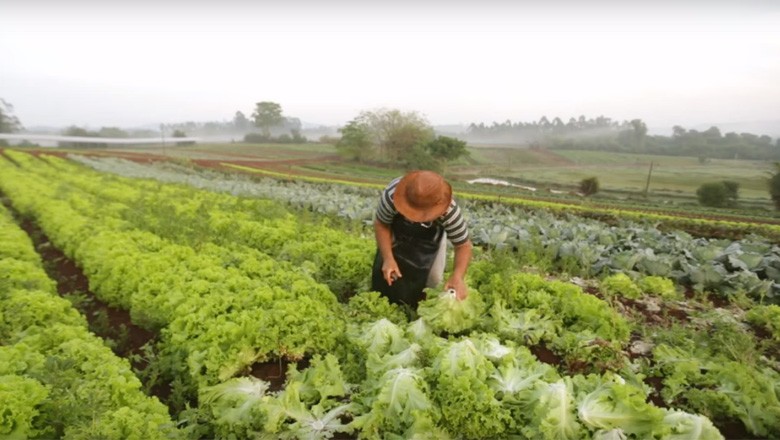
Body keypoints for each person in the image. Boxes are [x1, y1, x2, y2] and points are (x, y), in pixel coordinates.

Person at [371, 170, 473, 309]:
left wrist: (458, 276)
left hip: (431, 240)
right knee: (387, 271)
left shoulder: (449, 210)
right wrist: (388, 258)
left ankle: (419, 309)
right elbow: (381, 224)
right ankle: (385, 303)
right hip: (396, 231)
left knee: (434, 279)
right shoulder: (392, 194)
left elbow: (463, 245)